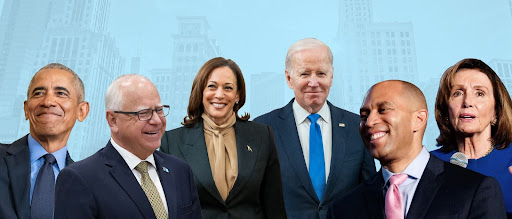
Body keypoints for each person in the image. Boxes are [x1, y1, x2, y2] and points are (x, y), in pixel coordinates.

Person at [328, 80, 506, 218]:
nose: (369, 122)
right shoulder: (344, 207)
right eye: (364, 115)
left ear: (419, 119)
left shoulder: (475, 190)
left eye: (383, 109)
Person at [253, 38, 376, 218]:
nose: (313, 82)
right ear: (289, 78)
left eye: (321, 73)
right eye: (304, 74)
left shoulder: (357, 127)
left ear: (331, 76)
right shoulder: (263, 128)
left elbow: (369, 195)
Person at [54, 74, 201, 219]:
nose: (156, 120)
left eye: (159, 110)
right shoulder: (80, 178)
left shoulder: (180, 170)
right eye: (144, 113)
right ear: (113, 120)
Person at [160, 57, 286, 218]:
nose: (219, 95)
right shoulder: (172, 142)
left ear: (238, 95)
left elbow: (274, 206)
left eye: (228, 88)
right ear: (201, 91)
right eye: (212, 86)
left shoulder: (263, 136)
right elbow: (168, 209)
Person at [0, 63, 89, 219]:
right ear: (26, 109)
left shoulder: (89, 185)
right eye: (39, 93)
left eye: (61, 93)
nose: (48, 101)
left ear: (81, 111)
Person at [431, 58, 512, 216]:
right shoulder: (429, 164)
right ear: (446, 111)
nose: (467, 102)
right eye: (458, 93)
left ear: (496, 112)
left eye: (479, 93)